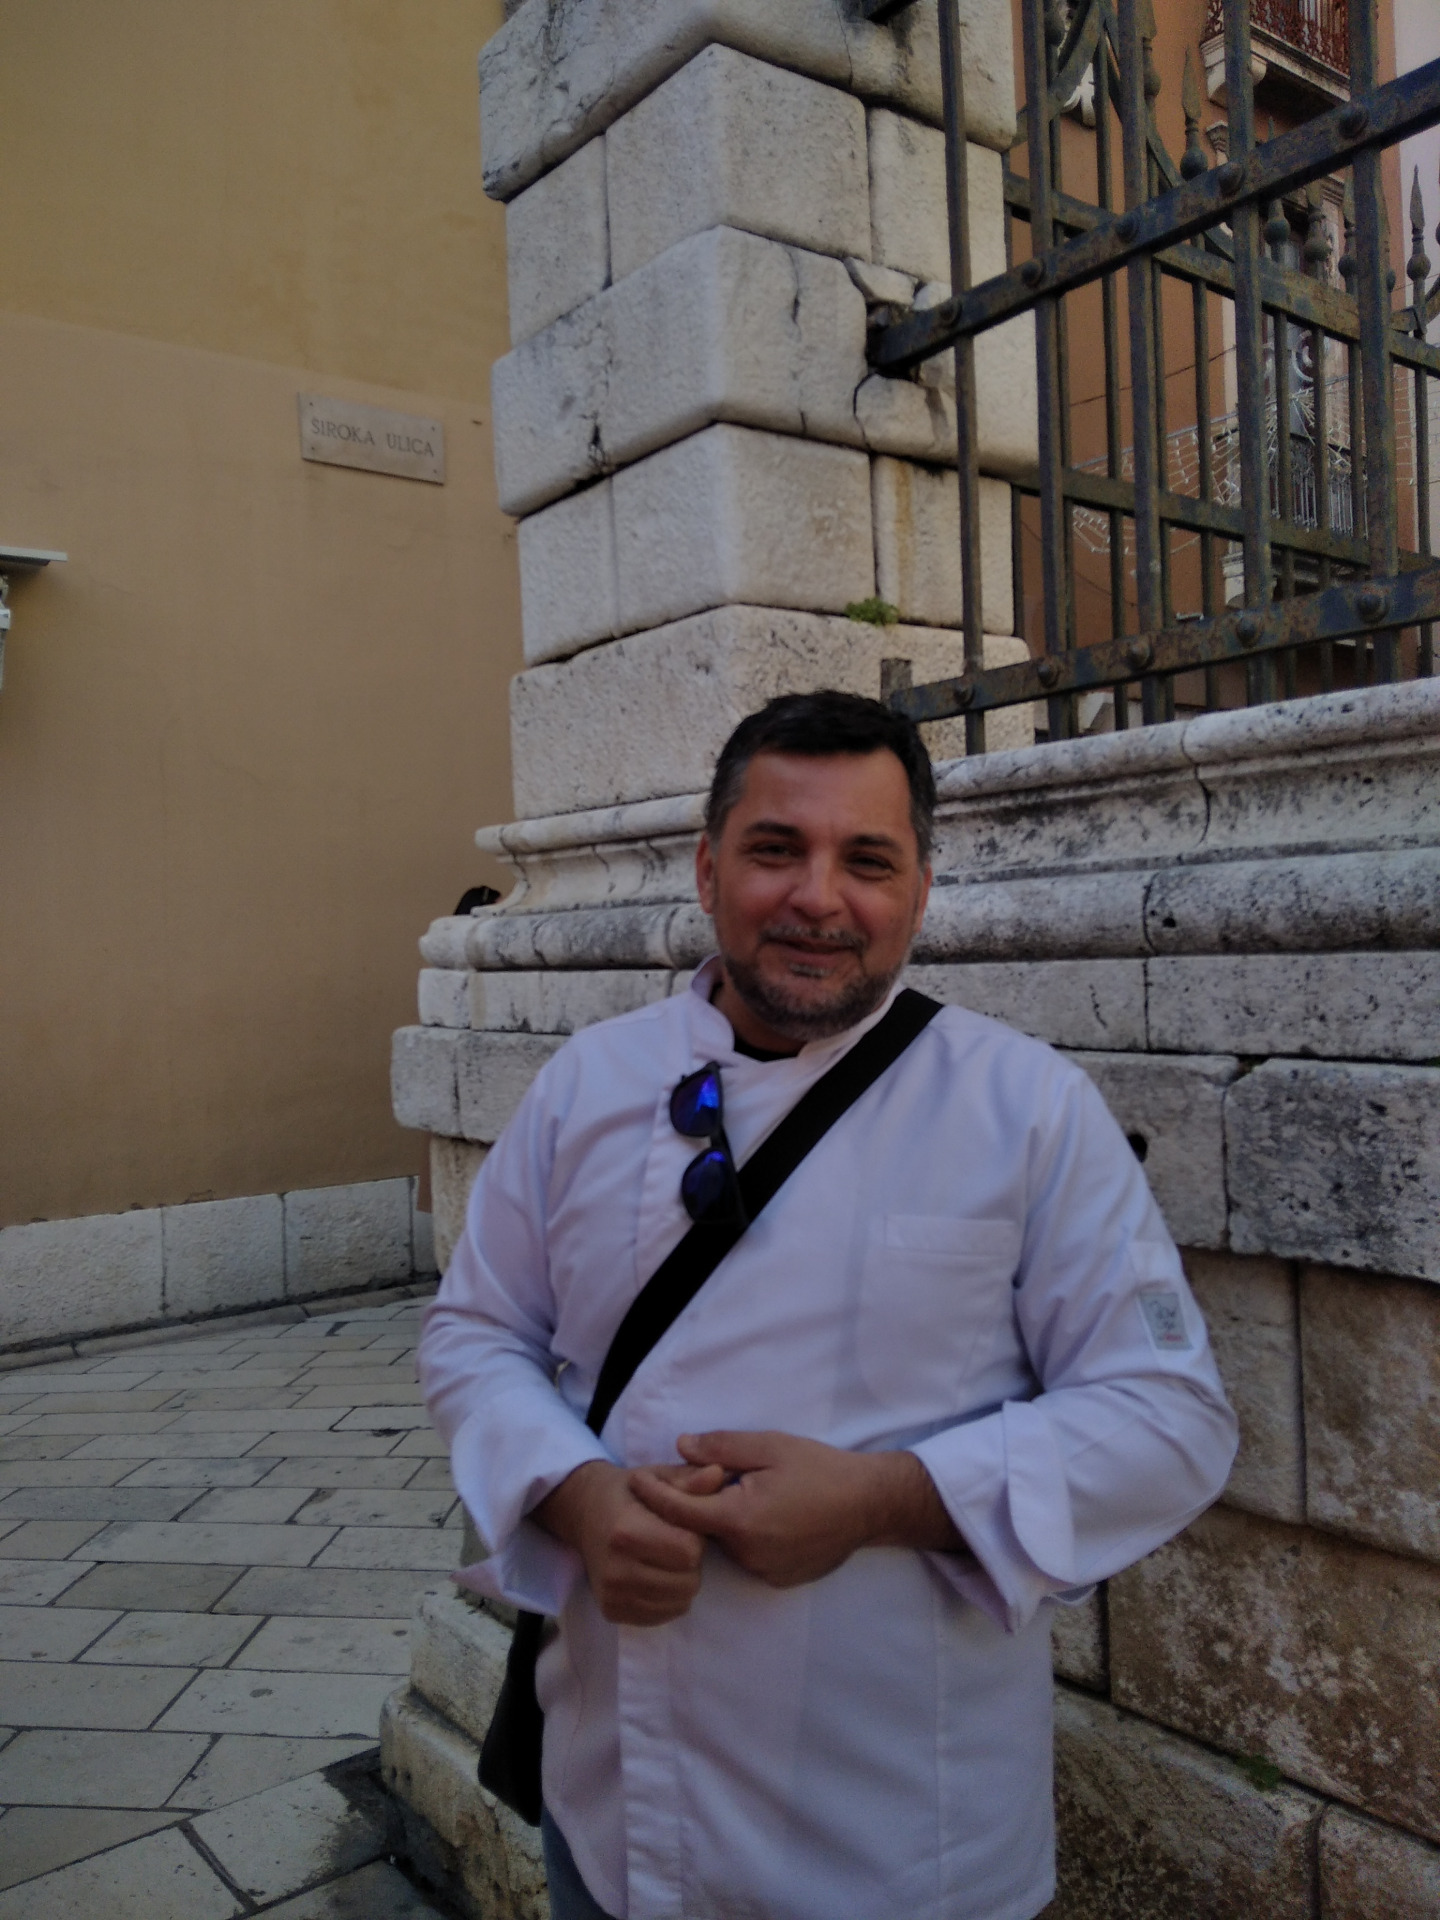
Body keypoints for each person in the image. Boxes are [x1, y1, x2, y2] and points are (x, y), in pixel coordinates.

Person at [419, 690, 1238, 1920]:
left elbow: (1170, 1416)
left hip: (906, 1852)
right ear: (708, 869)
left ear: (920, 891)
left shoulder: (1026, 1109)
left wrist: (880, 1501)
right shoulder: (586, 1084)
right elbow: (478, 1332)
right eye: (775, 849)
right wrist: (578, 1497)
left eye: (867, 860)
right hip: (615, 1819)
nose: (818, 897)